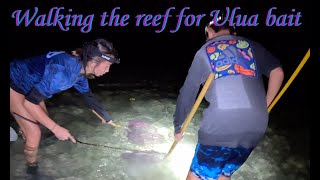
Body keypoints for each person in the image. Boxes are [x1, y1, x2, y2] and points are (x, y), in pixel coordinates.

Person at [173, 12, 284, 180]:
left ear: (209, 32)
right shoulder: (251, 45)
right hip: (255, 128)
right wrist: (265, 107)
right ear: (233, 32)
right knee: (224, 174)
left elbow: (187, 93)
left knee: (199, 175)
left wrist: (178, 126)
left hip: (220, 129)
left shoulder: (204, 51)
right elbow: (277, 72)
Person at [10, 38, 120, 179]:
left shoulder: (80, 69)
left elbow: (88, 96)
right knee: (35, 133)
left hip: (31, 86)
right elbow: (31, 103)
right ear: (93, 62)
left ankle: (23, 130)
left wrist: (106, 117)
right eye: (106, 66)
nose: (107, 70)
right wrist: (56, 129)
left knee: (43, 120)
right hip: (14, 84)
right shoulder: (63, 73)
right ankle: (31, 171)